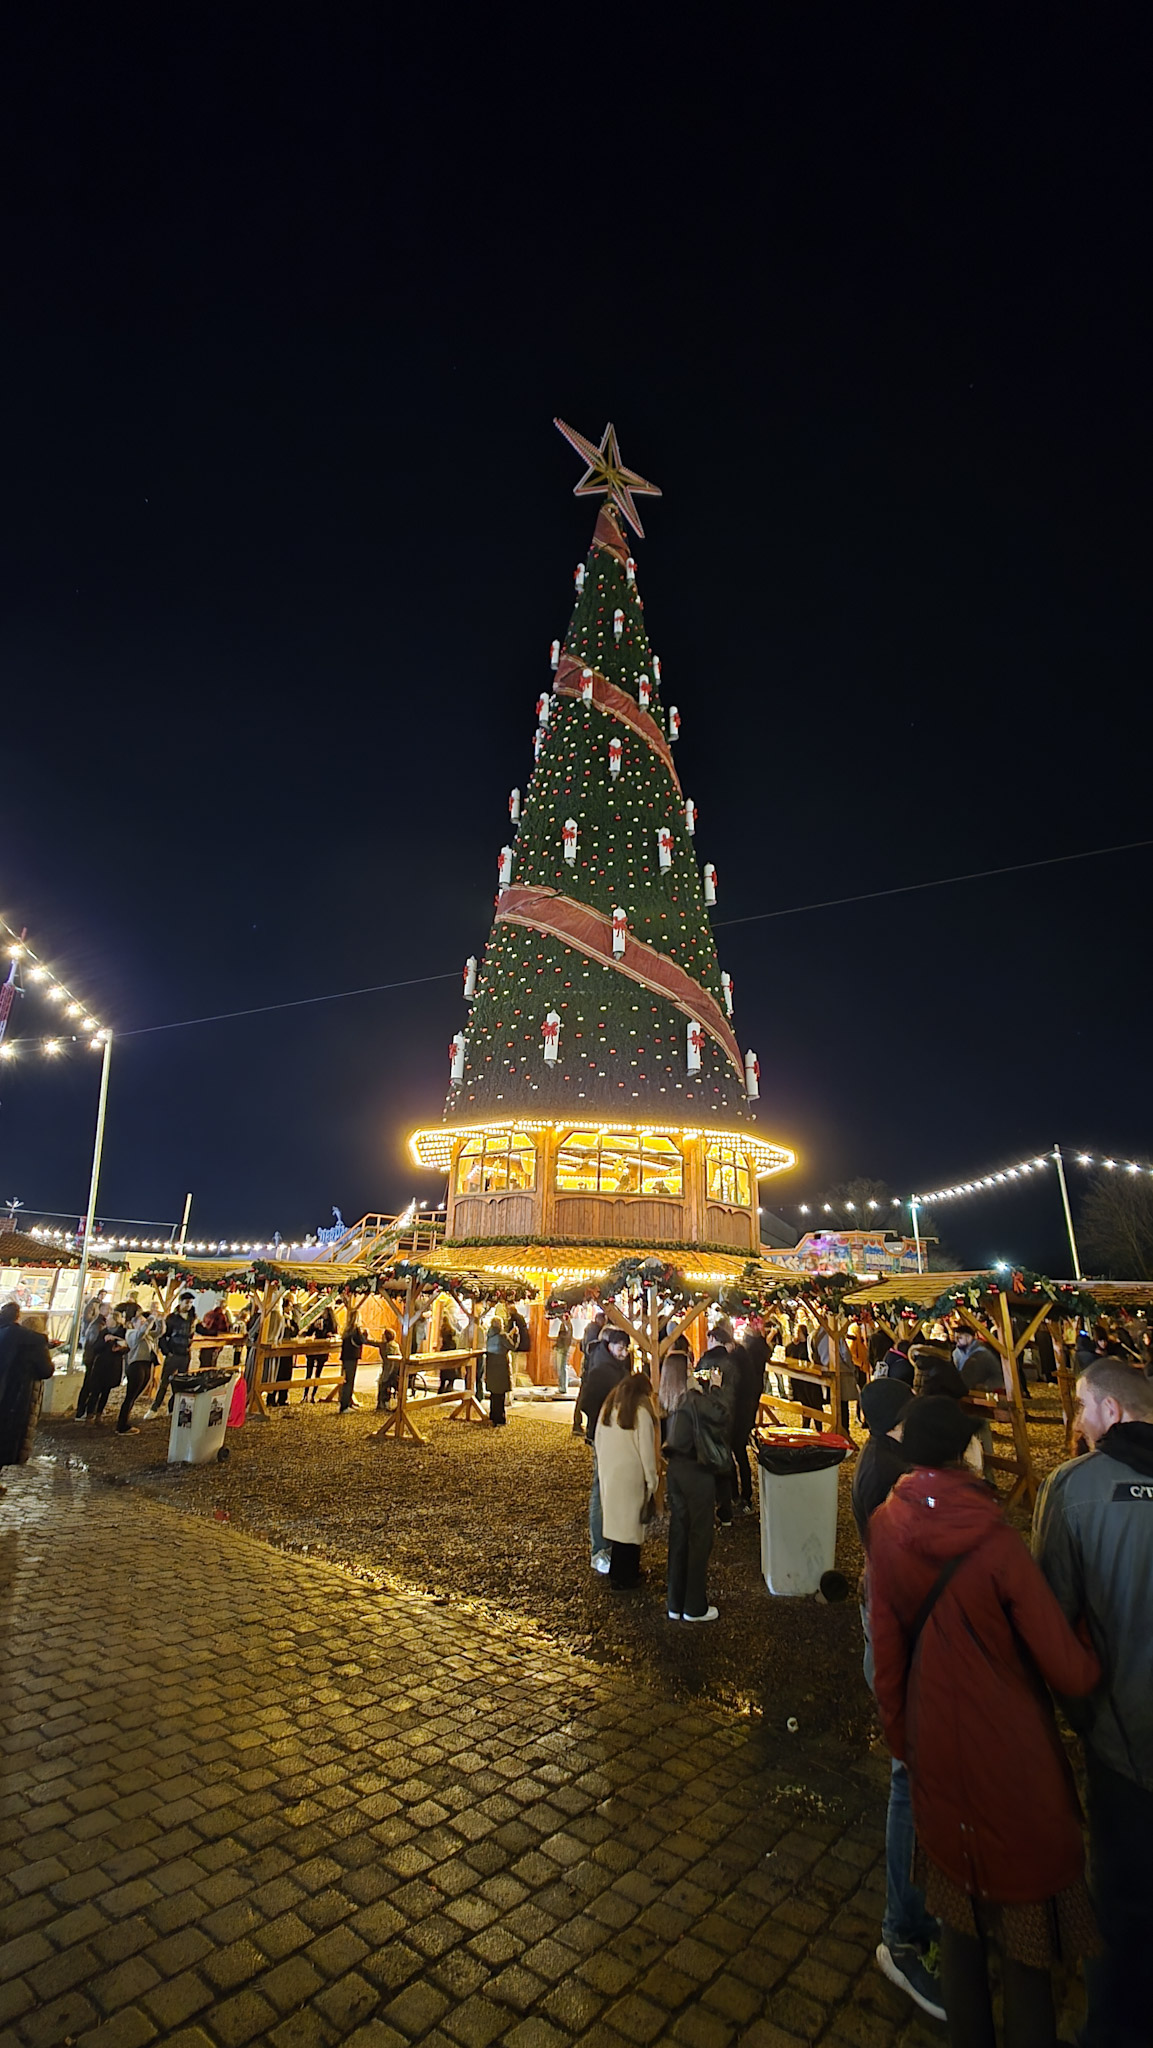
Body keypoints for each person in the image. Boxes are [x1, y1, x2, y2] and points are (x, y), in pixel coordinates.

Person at [870, 1397, 1100, 2048]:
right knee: (1027, 1960)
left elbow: (888, 1659)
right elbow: (1070, 1670)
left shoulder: (886, 1525)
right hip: (1012, 1763)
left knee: (960, 1934)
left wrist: (905, 1741)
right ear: (963, 1451)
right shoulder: (995, 1541)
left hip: (938, 1758)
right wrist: (1092, 1625)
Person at [1032, 1358, 1153, 2048]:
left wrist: (1080, 1715)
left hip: (1122, 1742)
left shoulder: (1075, 1489)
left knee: (1123, 1904)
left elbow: (1050, 1622)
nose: (1077, 1421)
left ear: (1111, 1410)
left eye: (1081, 1406)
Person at [851, 1381, 944, 2023]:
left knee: (910, 1777)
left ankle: (916, 1916)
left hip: (889, 1623)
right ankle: (904, 1932)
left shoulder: (884, 1463)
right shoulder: (890, 1476)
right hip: (896, 1630)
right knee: (906, 1780)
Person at [665, 1374, 728, 1621]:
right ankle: (694, 1606)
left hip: (675, 1470)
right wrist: (717, 1388)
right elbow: (722, 1415)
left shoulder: (673, 1401)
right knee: (700, 1536)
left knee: (679, 1534)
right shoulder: (694, 1399)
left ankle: (675, 1603)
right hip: (696, 1472)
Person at [595, 1371, 659, 1590]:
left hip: (610, 1473)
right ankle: (627, 1576)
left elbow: (598, 1441)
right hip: (632, 1476)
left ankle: (618, 1572)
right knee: (631, 1529)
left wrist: (603, 1469)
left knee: (617, 1528)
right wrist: (652, 1480)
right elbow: (647, 1452)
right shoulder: (640, 1413)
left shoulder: (608, 1409)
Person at [578, 1326, 631, 1570]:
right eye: (621, 1348)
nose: (624, 1353)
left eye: (626, 1349)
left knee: (610, 1488)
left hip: (614, 1435)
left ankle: (608, 1543)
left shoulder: (615, 1366)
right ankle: (599, 1549)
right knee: (600, 1489)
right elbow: (587, 1403)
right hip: (603, 1436)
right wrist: (606, 1419)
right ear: (610, 1346)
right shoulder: (601, 1370)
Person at [0, 1304, 54, 1484]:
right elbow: (46, 1370)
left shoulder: (8, 1336)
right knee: (9, 1439)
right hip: (22, 1397)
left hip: (7, 1393)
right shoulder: (35, 1344)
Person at [730, 1327, 767, 1510]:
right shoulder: (749, 1374)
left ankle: (736, 1495)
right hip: (745, 1415)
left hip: (736, 1417)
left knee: (733, 1455)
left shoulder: (737, 1376)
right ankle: (746, 1494)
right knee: (740, 1454)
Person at [145, 1292, 196, 1417]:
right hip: (174, 1353)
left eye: (191, 1303)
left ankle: (172, 1407)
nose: (189, 1305)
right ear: (181, 1302)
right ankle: (155, 1408)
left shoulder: (192, 1318)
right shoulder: (172, 1318)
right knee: (165, 1382)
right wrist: (167, 1351)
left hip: (185, 1354)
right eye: (187, 1302)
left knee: (181, 1382)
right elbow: (163, 1336)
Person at [80, 1314, 127, 1423]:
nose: (107, 1321)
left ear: (115, 1321)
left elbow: (127, 1348)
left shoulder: (122, 1332)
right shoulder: (103, 1332)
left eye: (110, 1319)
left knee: (106, 1391)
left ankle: (99, 1413)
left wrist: (118, 1346)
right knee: (95, 1390)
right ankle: (90, 1414)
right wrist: (105, 1341)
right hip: (100, 1365)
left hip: (113, 1366)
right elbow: (95, 1347)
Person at [117, 1303, 155, 1433]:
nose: (144, 1323)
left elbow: (159, 1332)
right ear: (134, 1324)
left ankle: (125, 1421)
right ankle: (121, 1425)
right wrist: (151, 1319)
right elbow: (141, 1333)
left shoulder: (146, 1335)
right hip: (136, 1365)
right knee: (130, 1395)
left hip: (146, 1364)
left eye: (145, 1321)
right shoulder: (132, 1333)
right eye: (141, 1322)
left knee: (134, 1396)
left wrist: (159, 1320)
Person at [951, 1324, 1004, 1393]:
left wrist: (986, 1386)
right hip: (963, 1393)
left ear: (969, 1338)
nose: (956, 1340)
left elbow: (998, 1375)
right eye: (955, 1338)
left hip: (981, 1394)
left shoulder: (985, 1353)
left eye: (960, 1338)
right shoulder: (955, 1354)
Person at [302, 1304, 337, 1403]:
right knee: (309, 1372)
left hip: (323, 1349)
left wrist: (329, 1334)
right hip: (315, 1347)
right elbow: (309, 1333)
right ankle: (305, 1395)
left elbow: (334, 1333)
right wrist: (313, 1327)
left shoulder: (331, 1323)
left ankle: (312, 1395)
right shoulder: (318, 1320)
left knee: (318, 1373)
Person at [483, 1313, 512, 1426]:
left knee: (494, 1393)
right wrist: (514, 1335)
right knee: (500, 1394)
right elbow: (512, 1346)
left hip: (491, 1365)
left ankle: (493, 1415)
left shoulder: (489, 1335)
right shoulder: (502, 1336)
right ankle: (500, 1417)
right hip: (501, 1365)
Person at [338, 1309, 364, 1412]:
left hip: (346, 1356)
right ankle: (344, 1406)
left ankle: (348, 1402)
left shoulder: (347, 1330)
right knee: (349, 1381)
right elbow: (362, 1340)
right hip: (352, 1357)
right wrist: (365, 1334)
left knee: (348, 1380)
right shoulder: (356, 1331)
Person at [376, 1328, 400, 1407]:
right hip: (396, 1370)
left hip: (390, 1370)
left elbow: (390, 1364)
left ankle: (382, 1402)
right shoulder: (395, 1345)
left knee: (382, 1383)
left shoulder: (386, 1346)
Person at [552, 1312, 573, 1397]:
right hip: (564, 1347)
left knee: (561, 1368)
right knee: (562, 1367)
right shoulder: (568, 1325)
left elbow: (563, 1337)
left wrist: (558, 1345)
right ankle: (562, 1386)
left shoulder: (565, 1325)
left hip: (562, 1348)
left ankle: (562, 1387)